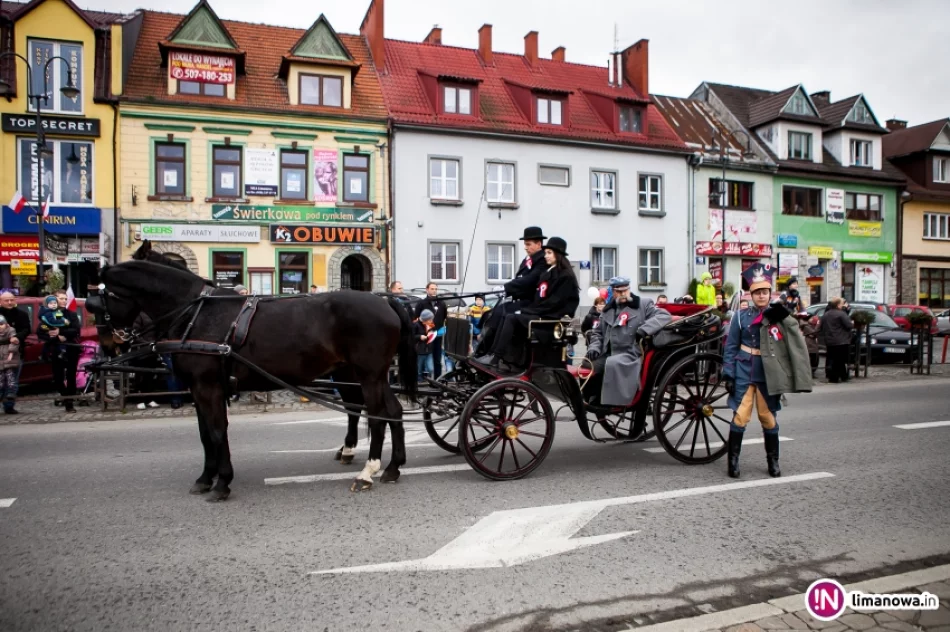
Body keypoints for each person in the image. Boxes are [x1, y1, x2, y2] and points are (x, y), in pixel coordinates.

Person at [721, 264, 813, 479]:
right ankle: (732, 462)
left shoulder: (777, 315)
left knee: (767, 418)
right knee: (740, 417)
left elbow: (790, 342)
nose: (761, 296)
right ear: (751, 295)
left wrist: (786, 315)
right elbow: (731, 346)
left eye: (765, 292)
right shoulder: (739, 317)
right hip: (744, 368)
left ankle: (773, 461)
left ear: (770, 294)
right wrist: (728, 373)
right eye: (757, 293)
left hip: (767, 371)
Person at [479, 237, 579, 370]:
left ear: (558, 254)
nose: (546, 256)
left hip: (550, 321)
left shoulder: (565, 276)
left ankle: (496, 357)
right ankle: (491, 353)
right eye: (546, 252)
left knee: (512, 318)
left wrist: (528, 311)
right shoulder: (548, 273)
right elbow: (538, 299)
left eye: (549, 253)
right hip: (541, 315)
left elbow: (554, 303)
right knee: (506, 314)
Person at [584, 277, 671, 406]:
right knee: (587, 364)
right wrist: (594, 348)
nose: (623, 294)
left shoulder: (643, 304)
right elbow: (598, 333)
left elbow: (664, 316)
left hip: (632, 353)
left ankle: (613, 402)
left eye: (626, 290)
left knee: (612, 363)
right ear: (613, 292)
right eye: (619, 291)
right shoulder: (607, 310)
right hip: (609, 352)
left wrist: (645, 329)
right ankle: (592, 397)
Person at [474, 226, 546, 355]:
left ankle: (492, 352)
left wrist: (506, 288)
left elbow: (530, 280)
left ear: (539, 244)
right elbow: (519, 279)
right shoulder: (527, 260)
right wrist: (508, 290)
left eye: (528, 244)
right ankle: (482, 346)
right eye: (525, 244)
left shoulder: (542, 261)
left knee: (503, 313)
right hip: (519, 300)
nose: (525, 247)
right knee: (491, 313)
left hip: (530, 303)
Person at [37, 290, 81, 413]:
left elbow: (76, 330)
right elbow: (40, 332)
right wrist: (55, 337)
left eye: (65, 298)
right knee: (58, 377)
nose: (64, 301)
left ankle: (69, 402)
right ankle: (63, 394)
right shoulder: (48, 314)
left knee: (71, 375)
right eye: (61, 298)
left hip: (71, 348)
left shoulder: (71, 314)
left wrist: (61, 333)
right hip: (55, 349)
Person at [414, 283, 447, 378]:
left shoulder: (441, 303)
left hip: (437, 335)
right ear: (427, 290)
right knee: (423, 359)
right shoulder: (421, 303)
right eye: (432, 289)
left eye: (436, 289)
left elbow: (444, 317)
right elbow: (416, 318)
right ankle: (422, 380)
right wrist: (427, 329)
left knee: (437, 359)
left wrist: (437, 329)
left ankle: (437, 380)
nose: (434, 291)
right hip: (425, 336)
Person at [821, 297, 853, 384]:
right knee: (840, 360)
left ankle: (841, 376)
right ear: (838, 305)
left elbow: (821, 326)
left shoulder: (826, 314)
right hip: (841, 340)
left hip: (830, 340)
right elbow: (849, 325)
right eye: (842, 304)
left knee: (832, 358)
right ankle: (835, 377)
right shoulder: (841, 314)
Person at [0, 315, 21, 414]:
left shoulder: (11, 330)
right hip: (1, 361)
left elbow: (14, 342)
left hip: (9, 360)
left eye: (1, 324)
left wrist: (11, 352)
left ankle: (9, 403)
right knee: (1, 381)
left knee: (11, 380)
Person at [39, 295, 69, 362]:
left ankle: (62, 352)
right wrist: (63, 322)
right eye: (51, 303)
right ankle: (44, 355)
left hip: (56, 329)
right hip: (49, 328)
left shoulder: (56, 311)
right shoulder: (47, 312)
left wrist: (64, 320)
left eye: (55, 303)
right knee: (50, 342)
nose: (53, 305)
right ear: (47, 305)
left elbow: (60, 318)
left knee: (60, 340)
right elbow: (52, 321)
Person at [796, 311, 821, 379]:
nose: (813, 319)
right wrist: (818, 325)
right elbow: (814, 333)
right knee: (812, 360)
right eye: (811, 318)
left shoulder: (807, 325)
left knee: (813, 360)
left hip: (811, 346)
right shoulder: (805, 326)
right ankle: (810, 373)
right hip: (810, 346)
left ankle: (811, 373)